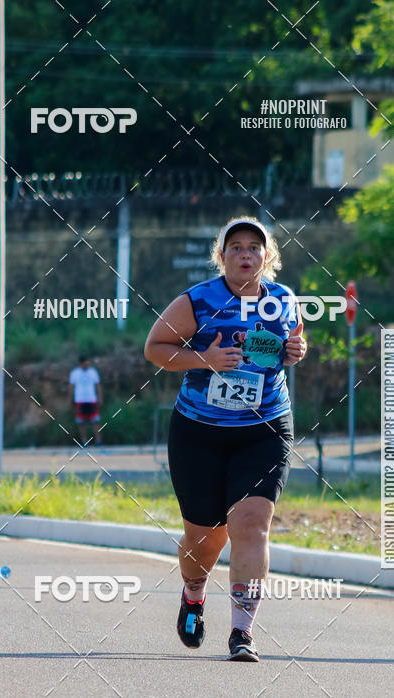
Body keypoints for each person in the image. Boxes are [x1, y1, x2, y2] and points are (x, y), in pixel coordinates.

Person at [144, 217, 307, 661]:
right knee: (205, 539)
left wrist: (296, 352)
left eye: (254, 247)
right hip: (200, 431)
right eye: (235, 246)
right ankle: (194, 593)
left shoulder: (284, 300)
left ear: (267, 257)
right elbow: (156, 348)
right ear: (222, 256)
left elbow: (289, 347)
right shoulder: (197, 301)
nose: (245, 254)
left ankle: (242, 633)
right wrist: (205, 358)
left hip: (265, 428)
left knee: (251, 524)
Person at [68, 355, 103, 446]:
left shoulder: (93, 372)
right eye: (86, 362)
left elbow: (97, 385)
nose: (88, 363)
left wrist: (100, 397)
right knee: (81, 422)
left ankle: (98, 441)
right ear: (81, 363)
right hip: (80, 400)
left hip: (91, 399)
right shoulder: (74, 373)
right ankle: (84, 441)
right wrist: (70, 401)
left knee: (95, 421)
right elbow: (71, 388)